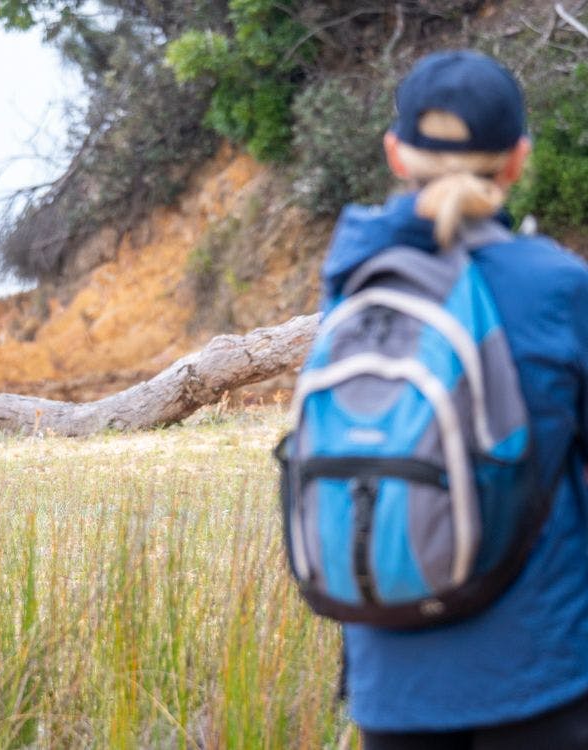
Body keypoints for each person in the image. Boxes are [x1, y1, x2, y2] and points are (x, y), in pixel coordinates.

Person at [319, 50, 588, 748]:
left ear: (396, 154)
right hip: (540, 670)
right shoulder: (557, 287)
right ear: (517, 160)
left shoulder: (354, 275)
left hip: (390, 670)